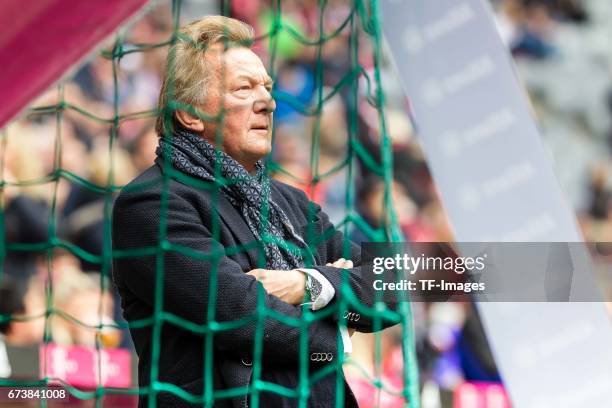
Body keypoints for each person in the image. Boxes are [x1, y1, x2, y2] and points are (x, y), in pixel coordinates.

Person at [112, 15, 397, 407]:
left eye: (267, 87)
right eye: (244, 89)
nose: (268, 101)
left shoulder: (290, 203)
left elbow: (395, 286)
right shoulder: (152, 204)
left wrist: (308, 285)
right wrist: (340, 334)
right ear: (190, 113)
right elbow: (244, 316)